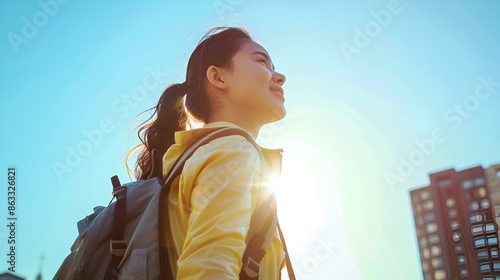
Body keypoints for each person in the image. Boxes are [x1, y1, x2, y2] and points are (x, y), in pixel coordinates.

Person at [127, 26, 289, 279]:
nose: (279, 76)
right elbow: (208, 270)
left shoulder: (195, 157)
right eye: (262, 62)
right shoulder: (231, 151)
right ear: (218, 77)